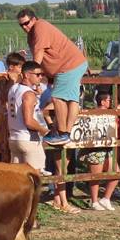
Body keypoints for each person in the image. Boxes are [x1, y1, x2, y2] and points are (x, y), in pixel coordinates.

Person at [16, 8, 88, 147]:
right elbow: (47, 58)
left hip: (68, 66)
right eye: (22, 25)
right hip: (70, 65)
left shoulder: (40, 27)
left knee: (57, 97)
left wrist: (32, 76)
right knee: (72, 99)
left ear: (34, 19)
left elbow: (39, 56)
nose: (25, 27)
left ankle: (63, 134)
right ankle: (65, 133)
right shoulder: (33, 33)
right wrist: (47, 77)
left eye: (27, 23)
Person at [5, 61, 47, 171]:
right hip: (28, 139)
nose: (41, 77)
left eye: (42, 74)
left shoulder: (13, 89)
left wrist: (36, 94)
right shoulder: (29, 94)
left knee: (16, 180)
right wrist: (43, 130)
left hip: (14, 138)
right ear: (27, 75)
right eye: (37, 74)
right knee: (34, 178)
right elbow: (28, 121)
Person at [83, 90, 120, 211]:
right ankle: (94, 201)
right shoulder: (93, 113)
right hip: (96, 147)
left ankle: (105, 198)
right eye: (109, 100)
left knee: (116, 173)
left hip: (108, 147)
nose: (111, 102)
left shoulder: (110, 113)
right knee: (95, 176)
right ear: (103, 101)